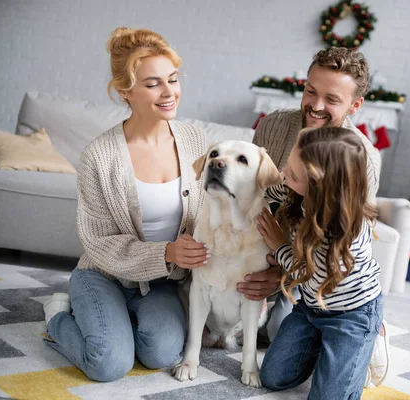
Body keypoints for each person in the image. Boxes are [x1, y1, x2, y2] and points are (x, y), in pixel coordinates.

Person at [42, 27, 209, 382]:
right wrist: (167, 252)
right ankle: (58, 317)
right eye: (153, 84)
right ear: (125, 92)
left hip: (162, 282)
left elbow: (212, 210)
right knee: (108, 363)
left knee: (162, 353)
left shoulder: (195, 140)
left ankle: (118, 323)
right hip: (104, 274)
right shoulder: (99, 157)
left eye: (173, 79)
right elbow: (98, 242)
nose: (169, 93)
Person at [238, 47, 389, 387]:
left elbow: (329, 266)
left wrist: (279, 268)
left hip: (323, 280)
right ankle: (326, 346)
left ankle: (359, 344)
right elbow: (262, 194)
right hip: (298, 279)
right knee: (274, 373)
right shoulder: (275, 128)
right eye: (310, 91)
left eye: (331, 99)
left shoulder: (360, 159)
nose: (316, 106)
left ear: (355, 105)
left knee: (282, 334)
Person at [256, 127, 382, 399]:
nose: (284, 173)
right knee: (272, 377)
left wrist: (279, 246)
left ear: (319, 183)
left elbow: (309, 275)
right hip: (312, 307)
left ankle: (367, 345)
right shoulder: (299, 190)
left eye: (293, 172)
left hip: (352, 314)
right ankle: (327, 351)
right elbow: (268, 189)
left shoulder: (346, 230)